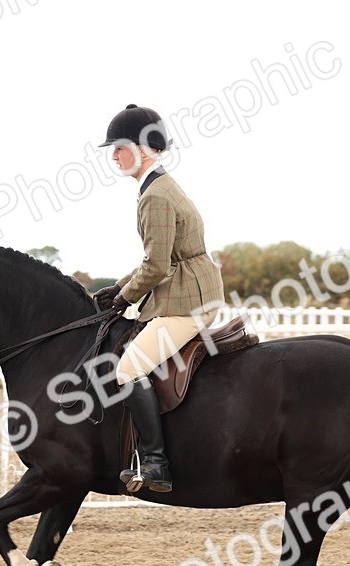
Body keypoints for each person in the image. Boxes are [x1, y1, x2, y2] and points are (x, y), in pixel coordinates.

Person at [93, 104, 225, 493]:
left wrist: (123, 297)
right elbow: (155, 261)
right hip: (189, 292)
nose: (114, 156)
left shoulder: (156, 195)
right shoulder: (159, 186)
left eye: (119, 147)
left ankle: (155, 463)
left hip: (188, 302)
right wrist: (118, 286)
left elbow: (155, 266)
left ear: (141, 148)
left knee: (128, 368)